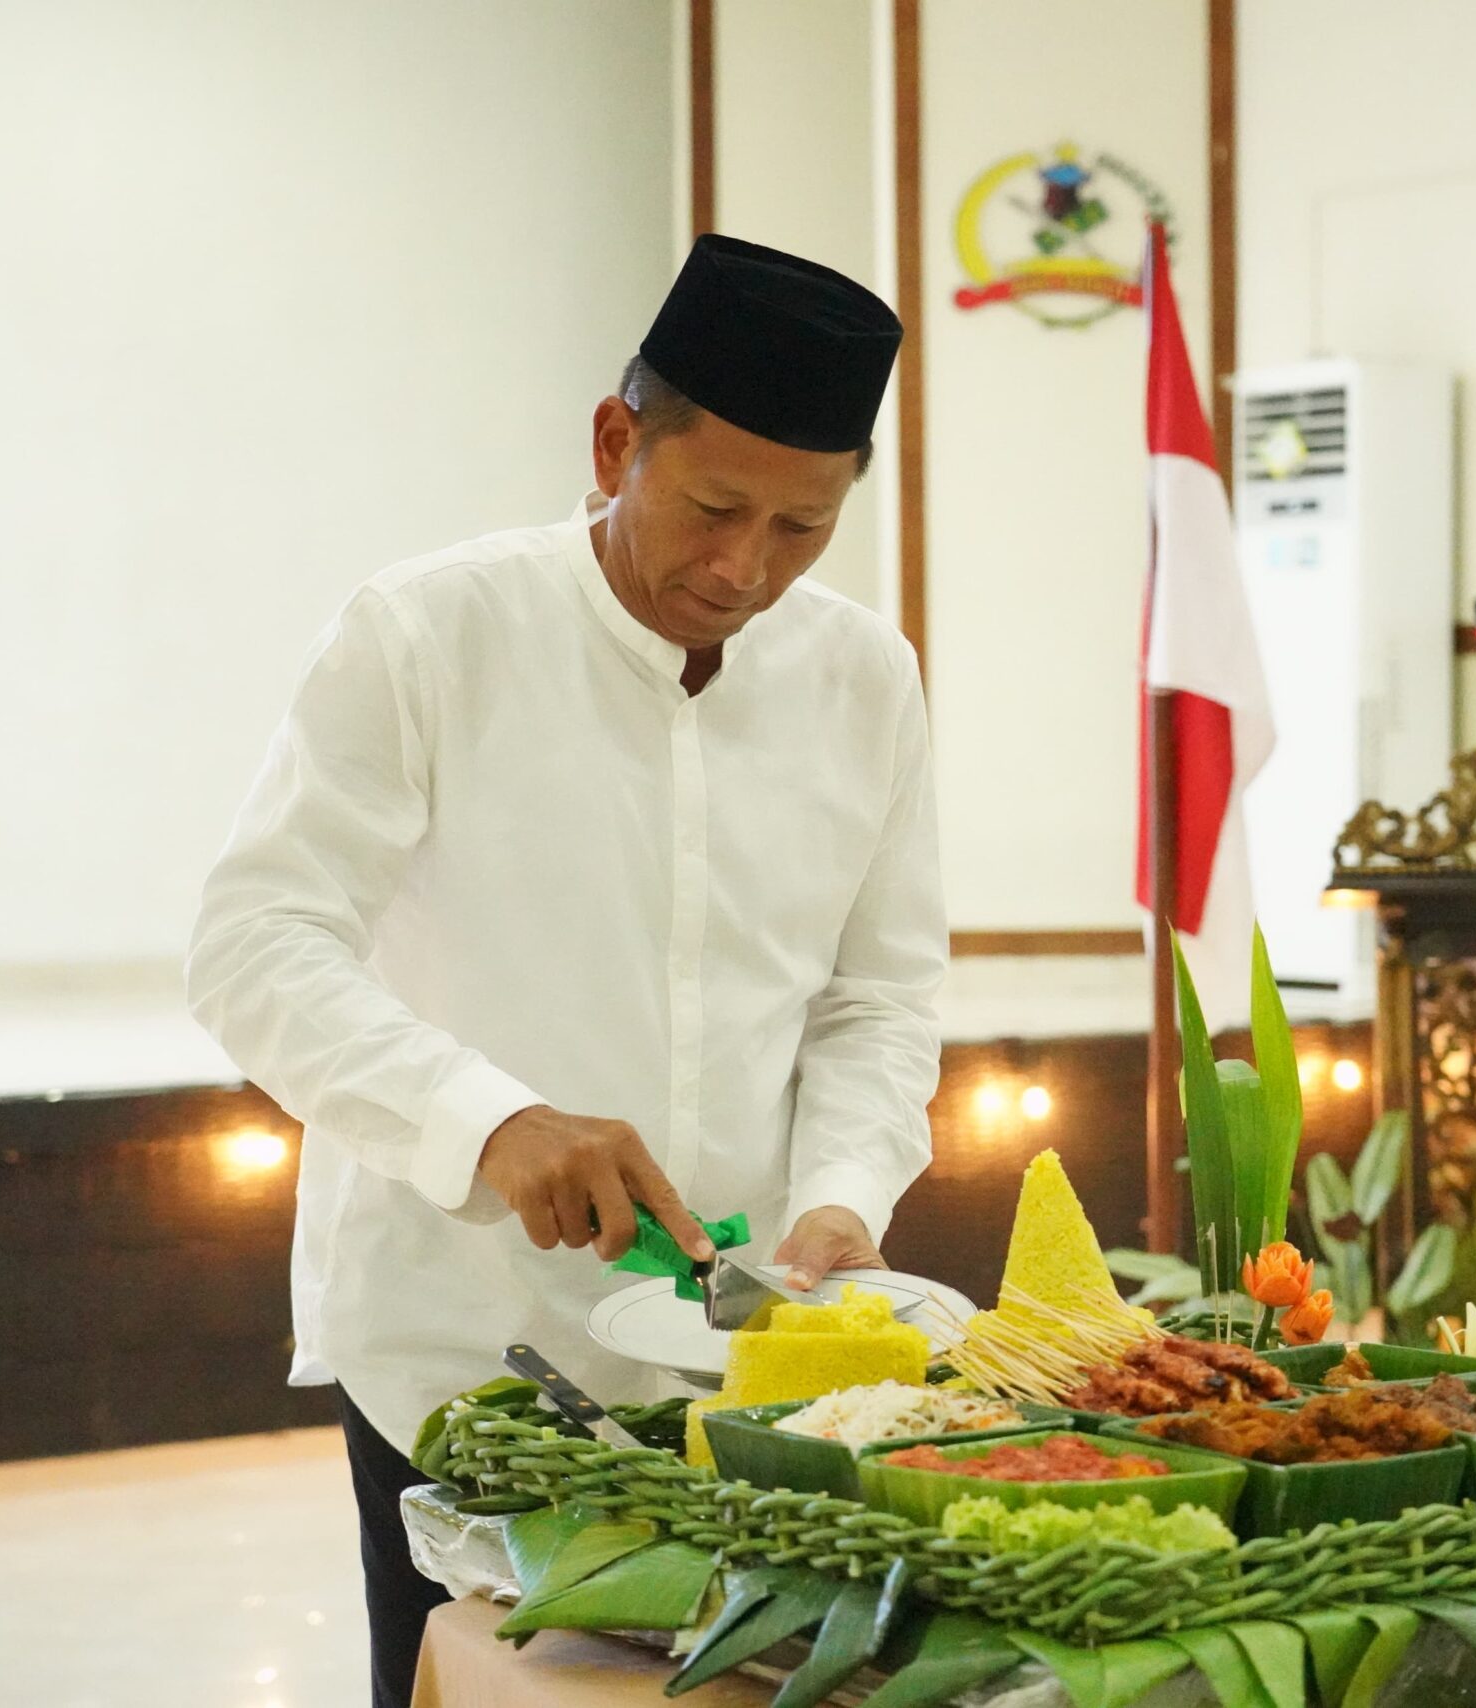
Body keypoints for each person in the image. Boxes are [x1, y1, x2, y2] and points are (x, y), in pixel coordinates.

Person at [185, 233, 944, 1708]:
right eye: (715, 506)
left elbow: (876, 996)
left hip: (755, 1361)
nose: (745, 569)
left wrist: (845, 1196)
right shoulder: (430, 631)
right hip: (468, 1345)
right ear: (616, 442)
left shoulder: (866, 681)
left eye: (802, 530)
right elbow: (254, 941)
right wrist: (493, 1120)